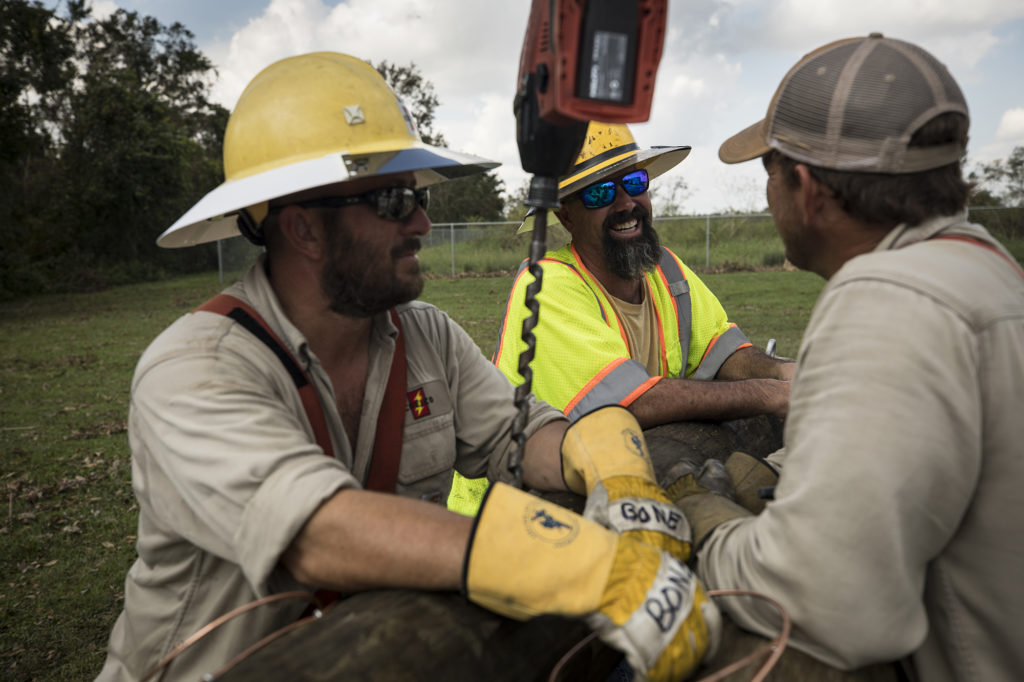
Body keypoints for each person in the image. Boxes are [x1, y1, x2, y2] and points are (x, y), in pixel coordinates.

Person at [96, 52, 722, 682]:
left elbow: (525, 435)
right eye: (396, 200)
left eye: (418, 197)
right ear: (305, 229)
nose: (423, 222)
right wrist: (579, 564)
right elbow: (318, 532)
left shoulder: (427, 337)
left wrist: (619, 470)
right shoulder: (193, 371)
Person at [665, 33, 1024, 681]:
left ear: (806, 188)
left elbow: (823, 598)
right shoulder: (985, 271)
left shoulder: (885, 297)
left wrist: (708, 526)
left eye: (767, 172)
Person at [493, 121, 794, 427]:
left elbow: (721, 350)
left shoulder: (667, 270)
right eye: (600, 193)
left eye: (635, 182)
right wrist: (768, 393)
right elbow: (626, 402)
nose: (626, 203)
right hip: (518, 475)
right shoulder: (545, 286)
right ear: (567, 216)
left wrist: (782, 372)